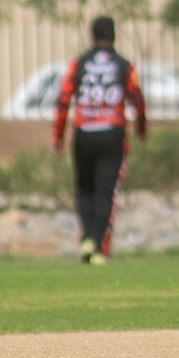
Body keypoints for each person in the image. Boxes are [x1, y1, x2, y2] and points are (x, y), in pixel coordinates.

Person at [52, 15, 147, 265]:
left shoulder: (78, 64)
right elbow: (138, 99)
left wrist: (58, 136)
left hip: (83, 133)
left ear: (92, 35)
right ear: (113, 35)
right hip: (112, 133)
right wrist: (141, 128)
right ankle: (96, 243)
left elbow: (63, 99)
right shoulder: (124, 65)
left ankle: (87, 239)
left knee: (84, 188)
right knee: (105, 192)